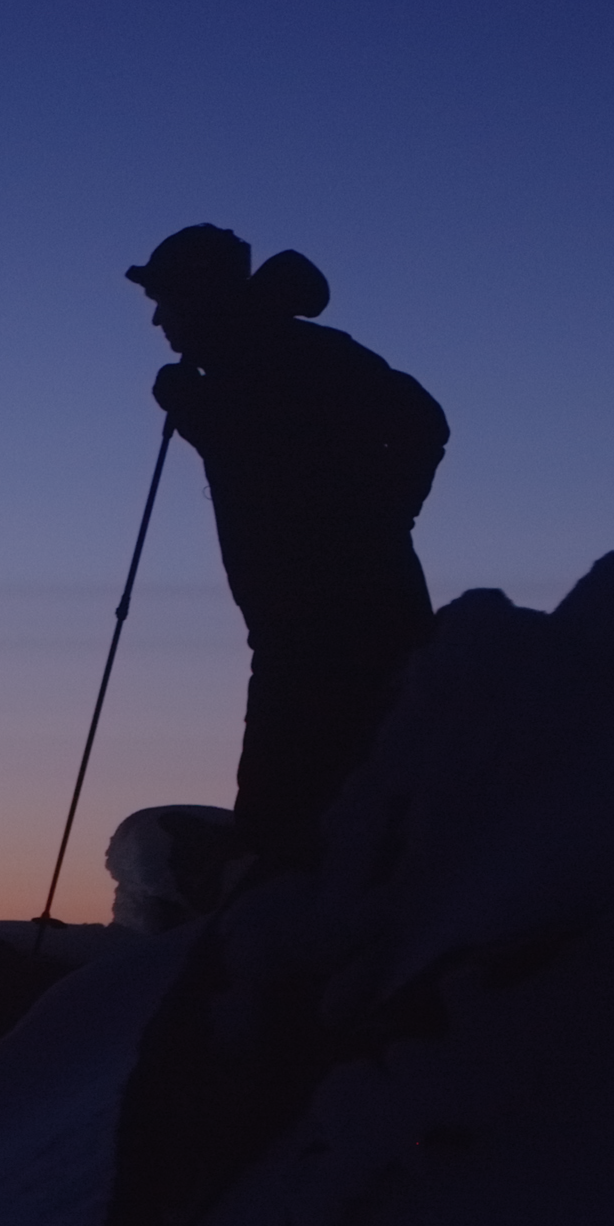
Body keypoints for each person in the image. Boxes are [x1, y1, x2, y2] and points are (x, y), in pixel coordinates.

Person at [130, 224, 448, 868]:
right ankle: (283, 871)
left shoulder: (284, 357)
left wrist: (383, 517)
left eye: (167, 301)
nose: (159, 319)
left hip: (335, 604)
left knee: (318, 748)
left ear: (203, 297)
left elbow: (287, 452)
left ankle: (283, 886)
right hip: (307, 604)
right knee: (327, 745)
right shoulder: (263, 359)